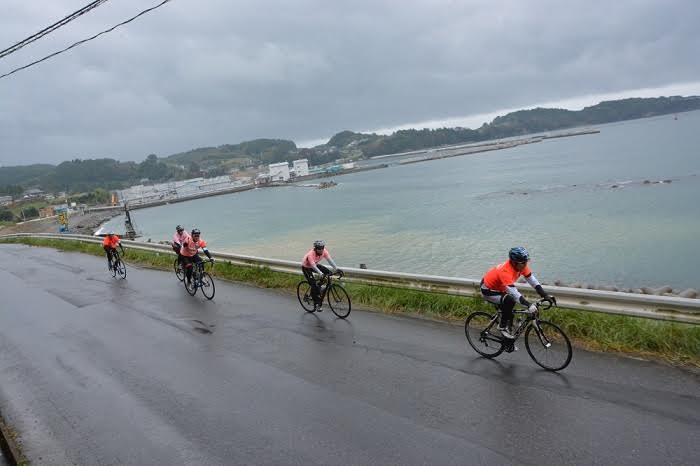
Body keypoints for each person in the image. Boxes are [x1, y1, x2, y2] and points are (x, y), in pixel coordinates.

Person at [480, 247, 556, 340]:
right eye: (523, 262)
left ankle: (507, 339)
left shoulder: (521, 266)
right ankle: (502, 327)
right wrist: (528, 305)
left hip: (500, 288)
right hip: (488, 289)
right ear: (514, 262)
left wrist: (545, 295)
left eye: (526, 261)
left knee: (509, 313)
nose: (525, 264)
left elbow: (532, 280)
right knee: (509, 300)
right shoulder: (505, 271)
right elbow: (514, 294)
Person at [301, 240, 342, 312]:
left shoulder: (324, 251)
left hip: (315, 265)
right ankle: (317, 304)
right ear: (315, 248)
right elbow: (313, 266)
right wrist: (321, 274)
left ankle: (320, 287)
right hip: (306, 267)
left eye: (322, 248)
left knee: (328, 272)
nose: (321, 250)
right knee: (313, 284)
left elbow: (330, 260)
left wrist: (336, 269)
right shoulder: (311, 254)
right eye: (319, 248)